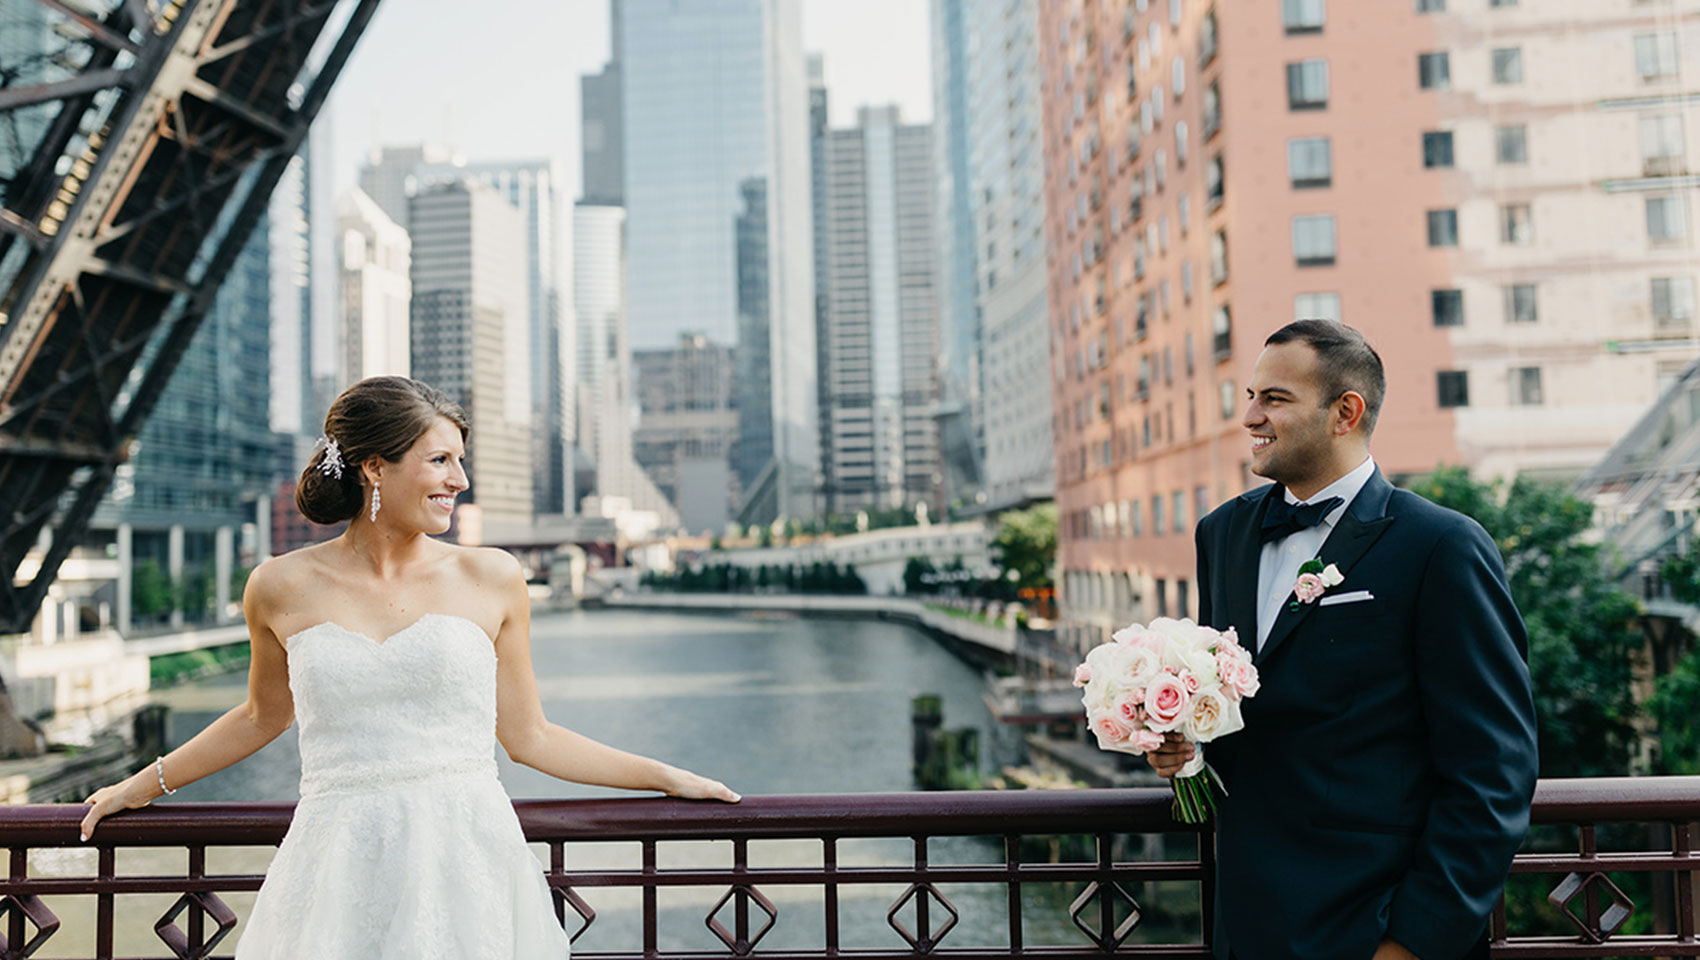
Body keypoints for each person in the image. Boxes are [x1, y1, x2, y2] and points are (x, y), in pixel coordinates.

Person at [79, 376, 738, 958]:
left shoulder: (493, 576)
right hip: (334, 867)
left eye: (461, 460)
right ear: (374, 467)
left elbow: (530, 737)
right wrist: (141, 785)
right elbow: (261, 716)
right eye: (440, 460)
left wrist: (663, 777)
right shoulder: (277, 586)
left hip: (465, 864)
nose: (460, 480)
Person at [1149, 321, 1538, 960]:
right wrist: (1182, 747)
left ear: (1345, 412)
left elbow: (1494, 770)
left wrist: (1413, 942)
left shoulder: (1442, 546)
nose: (1249, 417)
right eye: (1250, 396)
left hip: (1371, 926)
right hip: (1245, 925)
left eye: (1274, 399)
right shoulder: (1221, 534)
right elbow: (1234, 713)